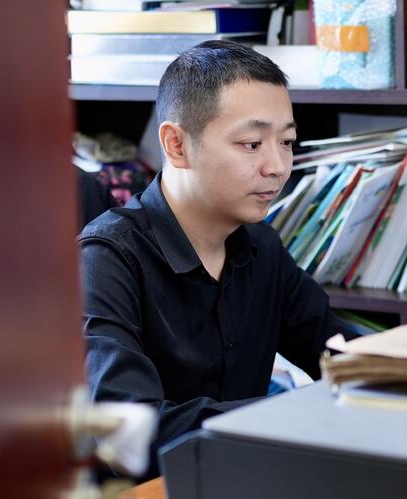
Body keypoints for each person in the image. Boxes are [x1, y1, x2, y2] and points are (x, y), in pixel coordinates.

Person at [78, 40, 355, 475]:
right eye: (251, 144)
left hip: (244, 485)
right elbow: (125, 427)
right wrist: (287, 416)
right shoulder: (107, 258)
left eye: (286, 142)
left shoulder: (261, 247)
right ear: (176, 145)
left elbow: (340, 353)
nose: (278, 166)